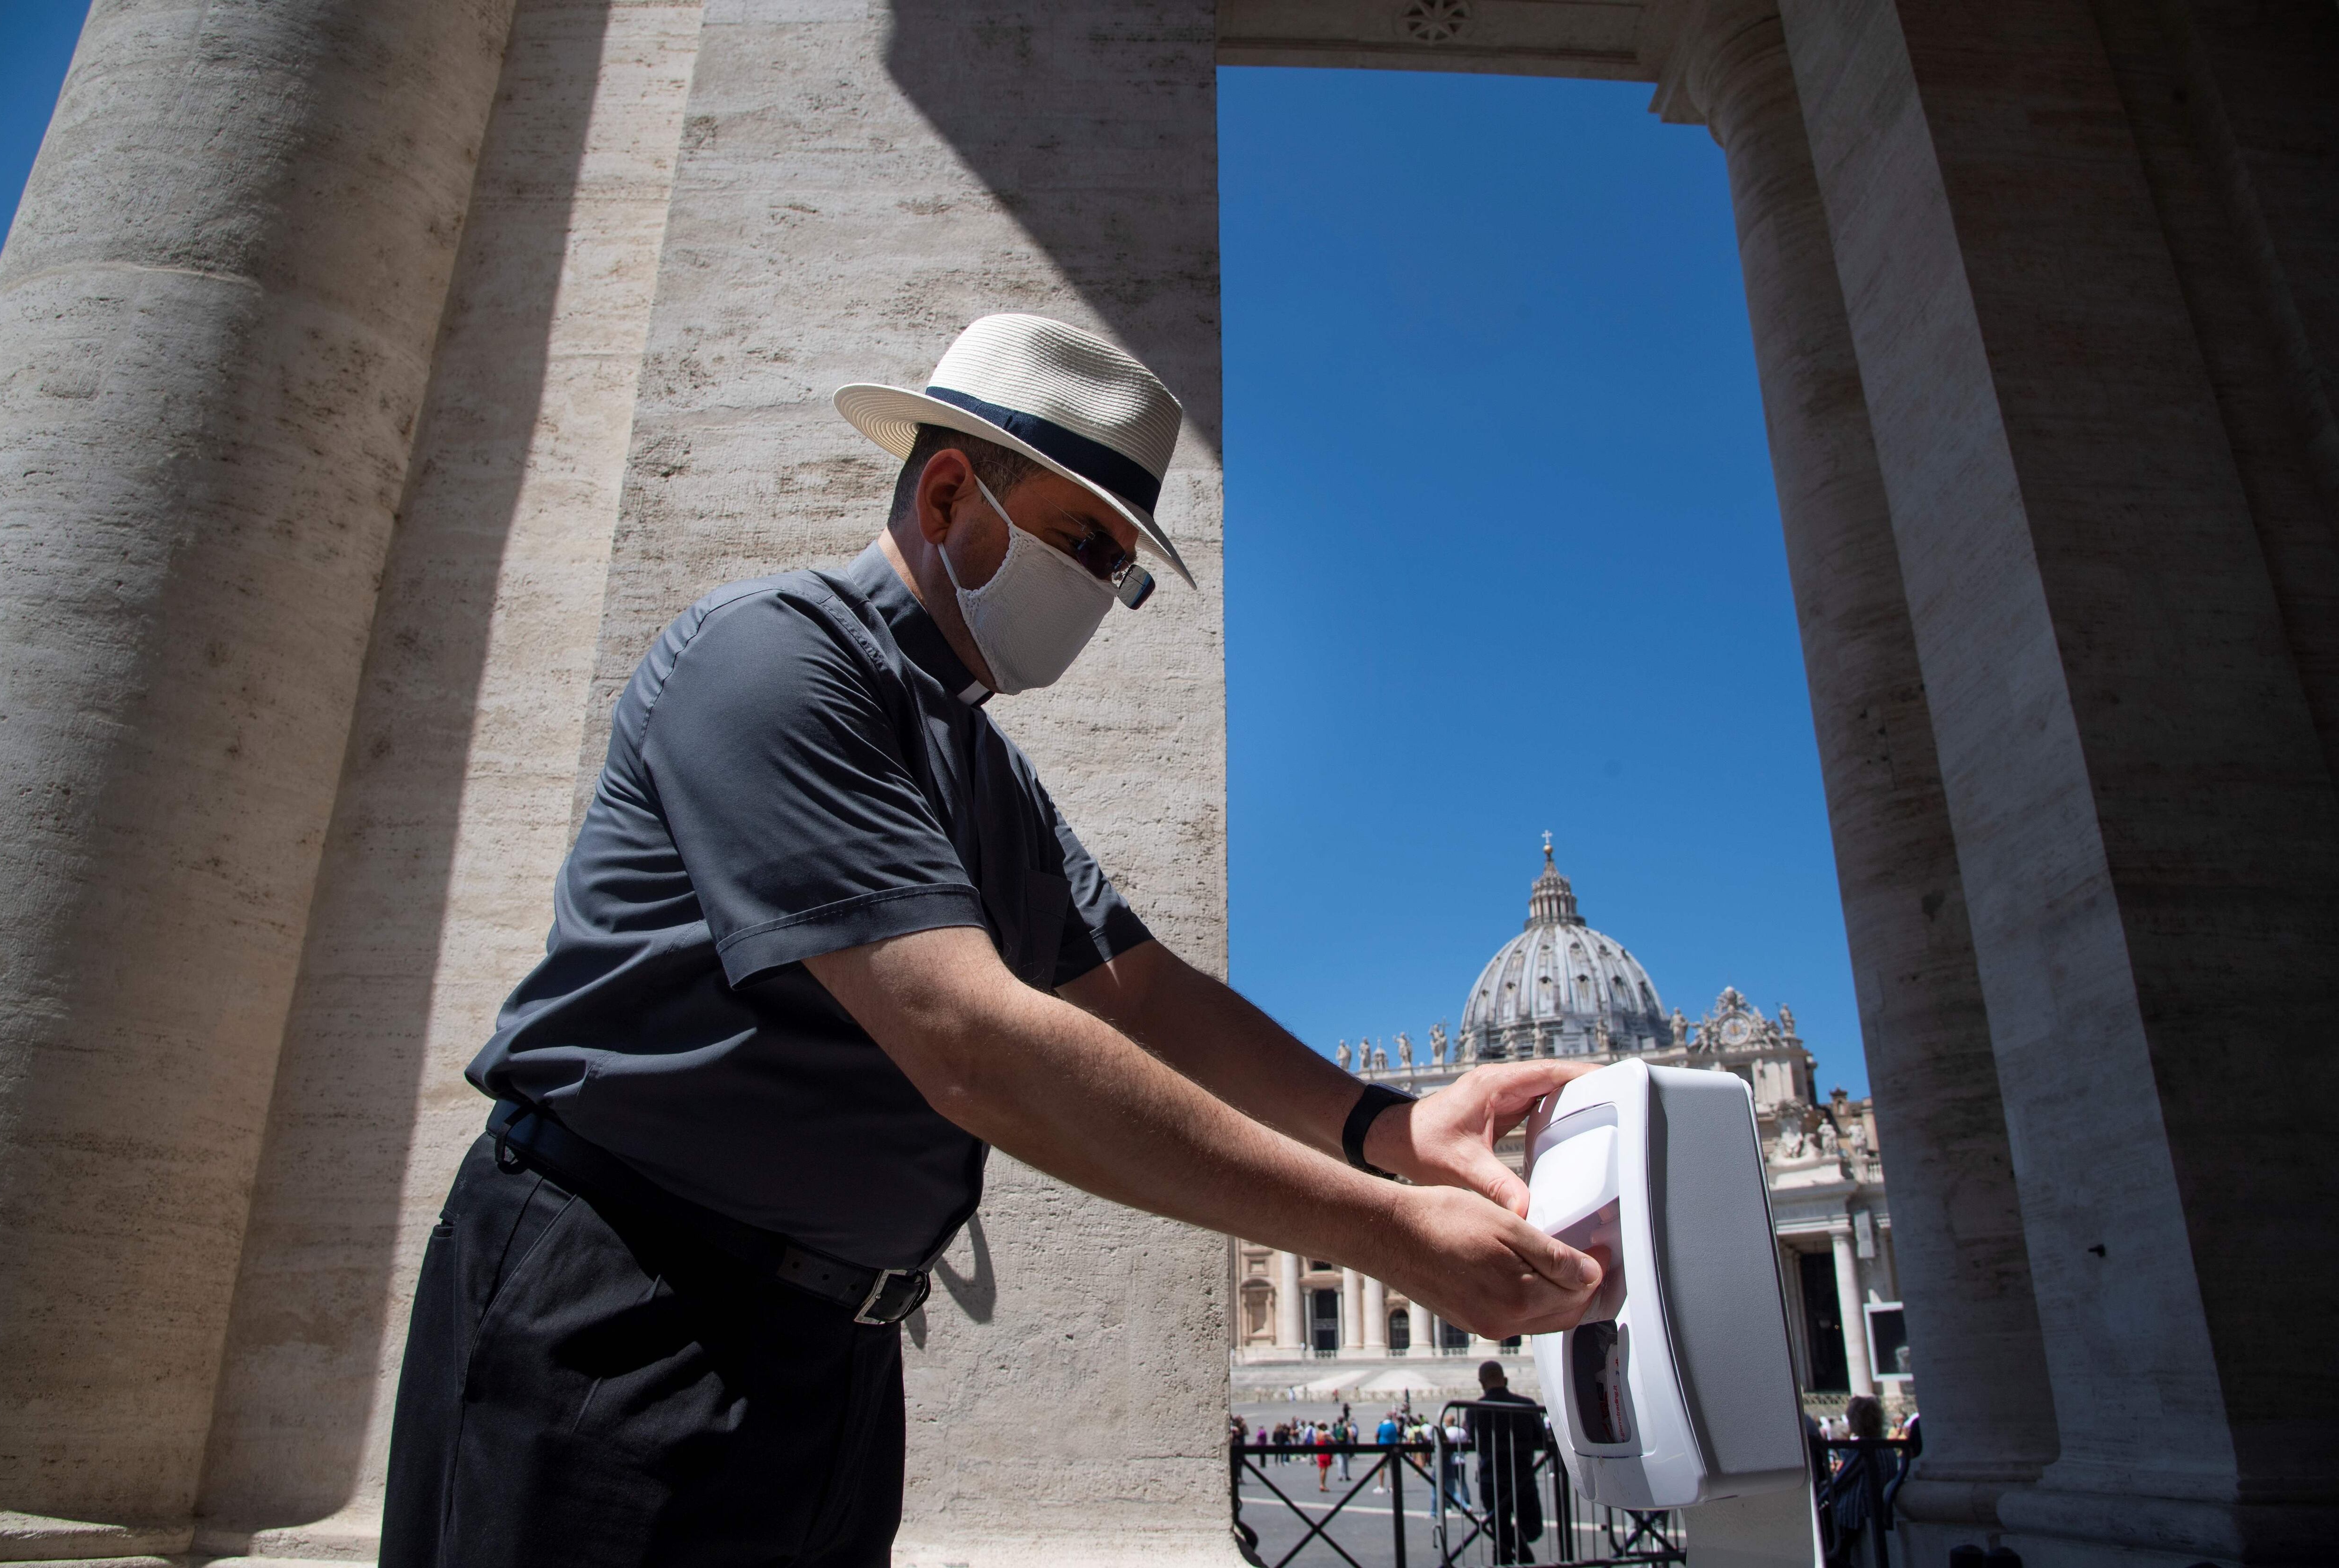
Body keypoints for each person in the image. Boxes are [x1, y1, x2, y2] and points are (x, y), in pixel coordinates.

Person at [375, 313, 1605, 1568]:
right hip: (627, 1306)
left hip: (830, 1350)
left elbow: (1143, 990)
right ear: (950, 493)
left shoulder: (980, 764)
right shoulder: (770, 658)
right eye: (1084, 544)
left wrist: (1393, 1127)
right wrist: (1382, 1228)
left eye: (1119, 568)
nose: (1101, 595)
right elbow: (972, 1040)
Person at [1466, 1361, 1545, 1566]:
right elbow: (1542, 1437)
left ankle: (1511, 1549)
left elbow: (1473, 1440)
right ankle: (1520, 1544)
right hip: (1523, 1475)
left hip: (1491, 1477)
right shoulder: (1527, 1405)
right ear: (1506, 1380)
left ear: (1482, 1383)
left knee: (1500, 1536)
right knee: (1532, 1528)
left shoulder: (1474, 1410)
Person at [1820, 1394, 1895, 1568]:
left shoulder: (1861, 1449)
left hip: (1854, 1512)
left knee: (1831, 1552)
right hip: (1876, 1507)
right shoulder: (1888, 1448)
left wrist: (1824, 1490)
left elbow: (1842, 1481)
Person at [1439, 1412, 1472, 1510]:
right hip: (1462, 1460)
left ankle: (1448, 1506)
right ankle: (1468, 1503)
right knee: (1463, 1483)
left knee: (1449, 1485)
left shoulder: (1447, 1432)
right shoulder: (1462, 1431)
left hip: (1451, 1461)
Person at [1374, 1409, 1402, 1492]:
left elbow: (1376, 1435)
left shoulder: (1382, 1426)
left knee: (1381, 1467)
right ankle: (1394, 1486)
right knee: (1393, 1468)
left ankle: (1381, 1486)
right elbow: (1398, 1435)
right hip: (1393, 1448)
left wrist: (1377, 1442)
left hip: (1383, 1448)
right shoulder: (1394, 1426)